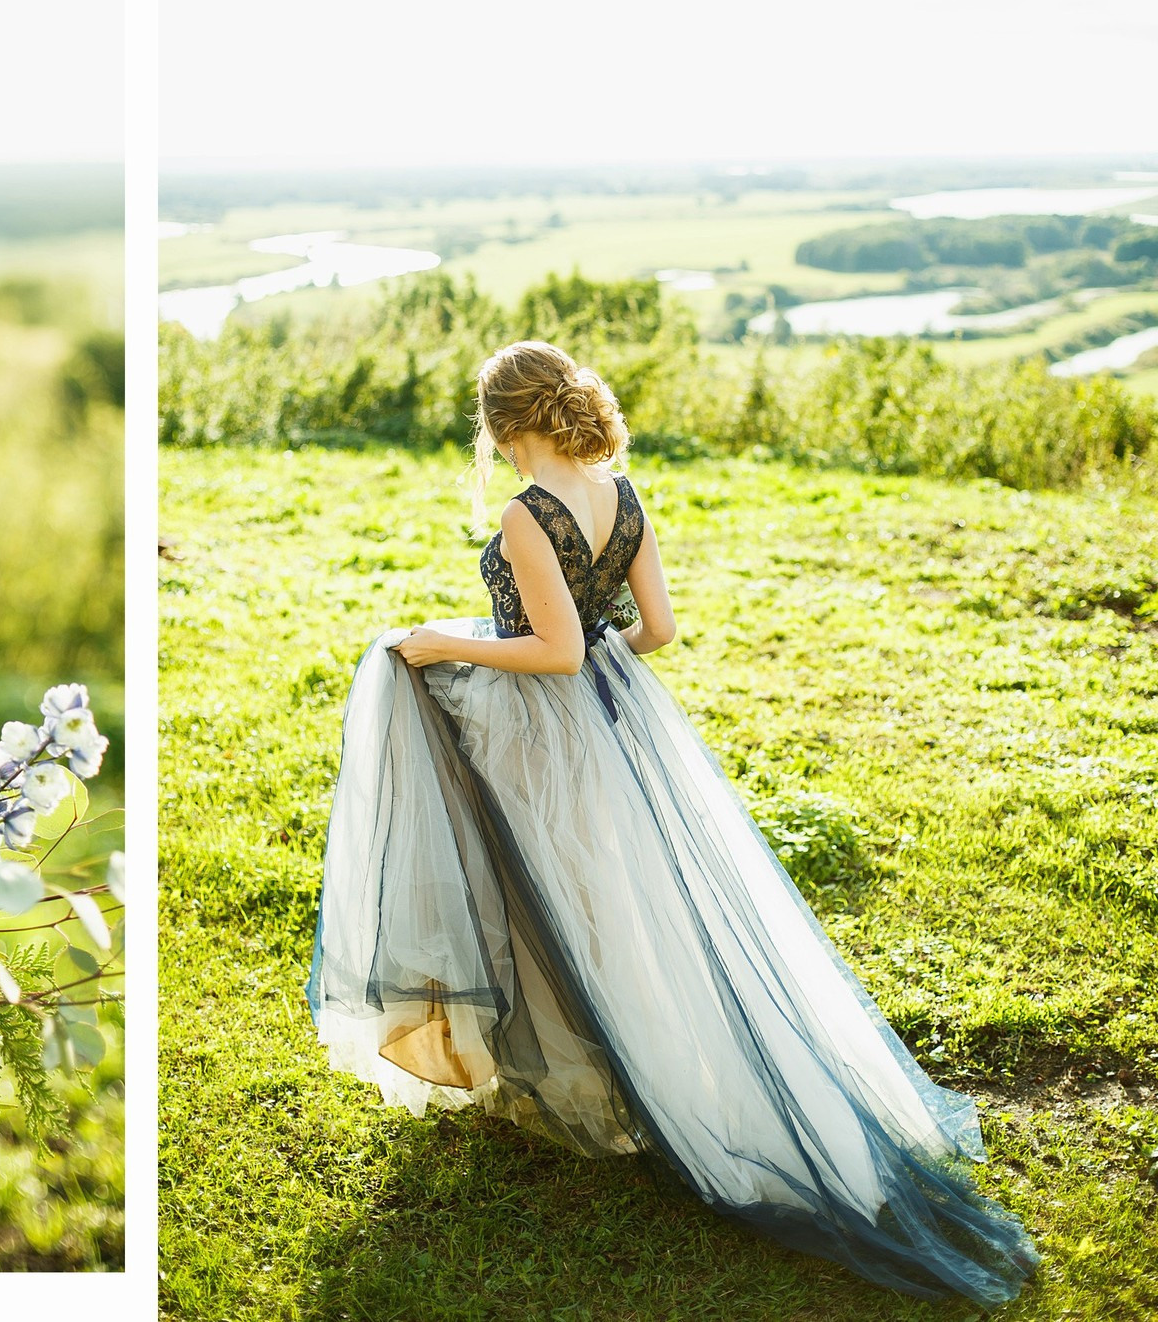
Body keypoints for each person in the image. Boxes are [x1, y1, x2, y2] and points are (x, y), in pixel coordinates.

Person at [304, 340, 1038, 1308]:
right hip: (618, 719)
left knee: (563, 901)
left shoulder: (528, 513)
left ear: (496, 423)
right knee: (614, 894)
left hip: (548, 726)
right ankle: (600, 1061)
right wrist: (572, 641)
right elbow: (653, 632)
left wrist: (441, 641)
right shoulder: (623, 493)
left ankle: (602, 1077)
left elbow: (556, 652)